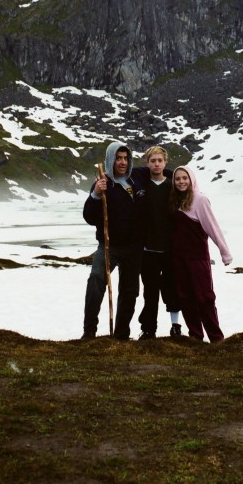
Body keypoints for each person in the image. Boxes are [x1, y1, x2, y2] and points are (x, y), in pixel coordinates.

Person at [82, 141, 146, 340]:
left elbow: (160, 170)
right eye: (118, 158)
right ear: (110, 159)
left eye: (126, 158)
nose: (123, 162)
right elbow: (89, 217)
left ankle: (121, 333)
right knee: (96, 280)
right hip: (110, 246)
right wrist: (96, 194)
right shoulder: (103, 183)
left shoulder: (136, 179)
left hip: (134, 247)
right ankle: (89, 330)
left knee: (130, 290)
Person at [170, 165, 232, 342]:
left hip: (197, 259)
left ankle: (216, 337)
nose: (181, 182)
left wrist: (224, 253)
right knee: (185, 297)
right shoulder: (175, 200)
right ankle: (195, 336)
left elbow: (213, 228)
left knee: (204, 298)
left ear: (191, 180)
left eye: (185, 178)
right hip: (178, 259)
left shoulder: (200, 200)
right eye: (177, 179)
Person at [132, 146, 181, 340]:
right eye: (153, 161)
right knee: (150, 292)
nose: (157, 164)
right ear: (147, 163)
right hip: (148, 249)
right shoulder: (141, 184)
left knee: (172, 289)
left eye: (160, 160)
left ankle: (175, 325)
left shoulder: (173, 186)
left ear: (165, 162)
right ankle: (148, 329)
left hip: (169, 249)